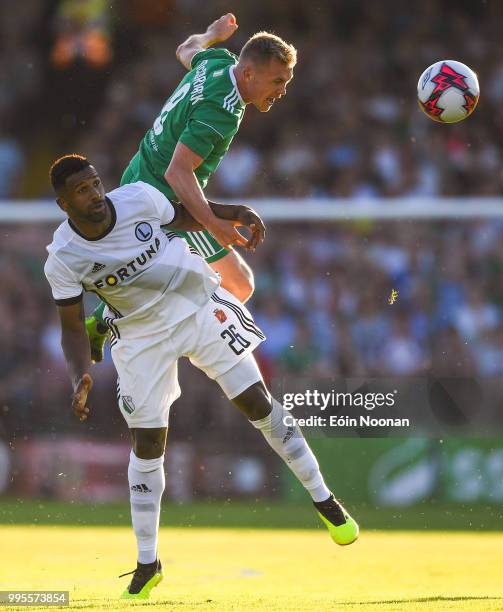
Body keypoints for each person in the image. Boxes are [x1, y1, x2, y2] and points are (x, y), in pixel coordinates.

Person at [44, 155, 358, 599]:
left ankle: (325, 500)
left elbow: (189, 215)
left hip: (196, 305)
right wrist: (79, 376)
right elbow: (71, 326)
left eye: (95, 184)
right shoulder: (64, 257)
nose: (94, 195)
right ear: (63, 203)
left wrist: (232, 212)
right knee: (148, 444)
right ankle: (147, 562)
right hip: (139, 338)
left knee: (256, 403)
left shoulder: (138, 199)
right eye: (81, 191)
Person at [86, 13, 297, 361]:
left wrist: (211, 34)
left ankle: (108, 320)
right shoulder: (222, 110)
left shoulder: (218, 60)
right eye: (277, 80)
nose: (282, 91)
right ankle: (159, 338)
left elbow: (187, 48)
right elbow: (178, 173)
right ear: (248, 73)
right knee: (239, 284)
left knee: (189, 277)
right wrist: (214, 224)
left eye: (286, 81)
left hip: (137, 177)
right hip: (164, 199)